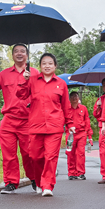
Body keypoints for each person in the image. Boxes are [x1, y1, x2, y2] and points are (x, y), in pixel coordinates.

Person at [17, 53, 74, 197]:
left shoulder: (61, 84)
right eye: (44, 63)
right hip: (36, 126)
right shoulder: (33, 80)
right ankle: (38, 180)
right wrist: (24, 80)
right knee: (35, 157)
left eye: (50, 63)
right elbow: (21, 95)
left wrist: (70, 124)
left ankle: (48, 185)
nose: (47, 66)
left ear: (55, 66)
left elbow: (66, 106)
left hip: (54, 126)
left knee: (50, 157)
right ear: (40, 66)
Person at [0, 43, 37, 194]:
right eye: (16, 52)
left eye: (22, 51)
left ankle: (34, 178)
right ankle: (11, 183)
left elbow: (42, 93)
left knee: (29, 154)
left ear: (27, 55)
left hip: (28, 120)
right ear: (12, 55)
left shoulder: (34, 72)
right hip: (9, 120)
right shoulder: (5, 73)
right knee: (9, 154)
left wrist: (29, 80)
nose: (19, 54)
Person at [66, 91, 93, 180]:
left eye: (76, 96)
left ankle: (80, 172)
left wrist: (87, 132)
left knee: (80, 153)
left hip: (81, 134)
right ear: (69, 99)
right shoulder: (66, 109)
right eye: (72, 96)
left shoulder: (83, 108)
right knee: (70, 153)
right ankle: (71, 172)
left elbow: (87, 120)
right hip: (70, 135)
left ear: (78, 98)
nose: (74, 98)